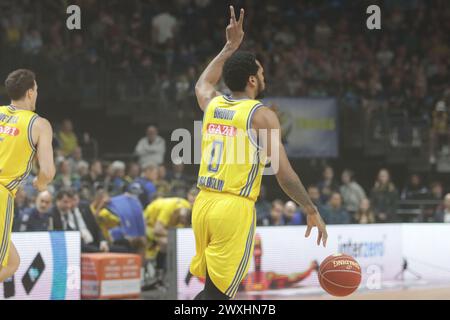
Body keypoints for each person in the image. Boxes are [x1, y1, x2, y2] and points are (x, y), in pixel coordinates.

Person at [189, 7, 327, 301]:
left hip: (203, 204)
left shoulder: (213, 105)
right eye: (261, 73)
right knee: (217, 297)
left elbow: (202, 83)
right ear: (252, 80)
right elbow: (284, 173)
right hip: (233, 209)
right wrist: (311, 208)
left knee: (212, 290)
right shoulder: (260, 115)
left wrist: (229, 47)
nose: (264, 77)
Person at [0, 69, 55, 282]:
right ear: (31, 92)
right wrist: (40, 184)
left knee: (13, 262)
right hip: (2, 194)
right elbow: (48, 172)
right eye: (37, 90)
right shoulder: (39, 124)